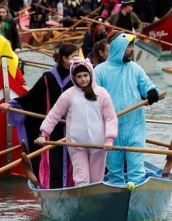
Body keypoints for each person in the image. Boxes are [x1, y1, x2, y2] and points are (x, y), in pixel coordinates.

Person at [92, 33, 160, 185]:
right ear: (119, 48)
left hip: (134, 125)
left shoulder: (135, 69)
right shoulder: (100, 71)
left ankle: (137, 189)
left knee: (136, 164)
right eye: (129, 46)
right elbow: (92, 97)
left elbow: (147, 85)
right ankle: (116, 190)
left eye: (132, 46)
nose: (132, 50)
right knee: (114, 168)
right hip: (110, 127)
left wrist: (151, 92)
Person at [37, 59, 116, 187]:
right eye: (79, 77)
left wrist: (109, 139)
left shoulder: (102, 93)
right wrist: (43, 134)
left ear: (90, 75)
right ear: (74, 78)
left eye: (85, 75)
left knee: (96, 180)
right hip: (76, 144)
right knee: (81, 179)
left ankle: (95, 202)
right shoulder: (68, 95)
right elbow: (54, 115)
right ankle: (82, 201)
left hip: (99, 144)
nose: (83, 79)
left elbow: (111, 118)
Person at [13, 42, 77, 187]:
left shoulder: (79, 76)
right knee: (53, 159)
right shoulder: (49, 77)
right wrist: (13, 104)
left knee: (74, 159)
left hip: (73, 126)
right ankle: (53, 187)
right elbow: (33, 97)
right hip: (52, 127)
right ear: (65, 58)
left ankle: (73, 187)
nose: (77, 59)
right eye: (74, 56)